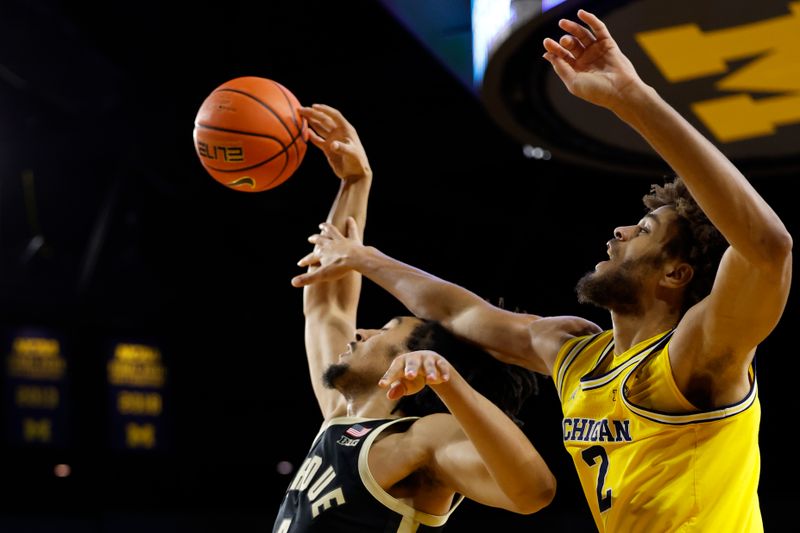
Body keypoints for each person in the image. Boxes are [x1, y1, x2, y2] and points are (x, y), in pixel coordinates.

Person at [291, 10, 793, 533]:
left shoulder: (698, 353)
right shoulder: (575, 353)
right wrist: (366, 258)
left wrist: (631, 99)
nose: (620, 233)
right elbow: (458, 312)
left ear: (675, 275)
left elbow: (768, 249)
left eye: (643, 230)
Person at [273, 103, 596, 533]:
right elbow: (326, 304)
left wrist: (451, 383)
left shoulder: (422, 438)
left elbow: (533, 491)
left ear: (414, 361)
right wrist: (355, 181)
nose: (362, 331)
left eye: (387, 330)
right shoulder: (339, 416)